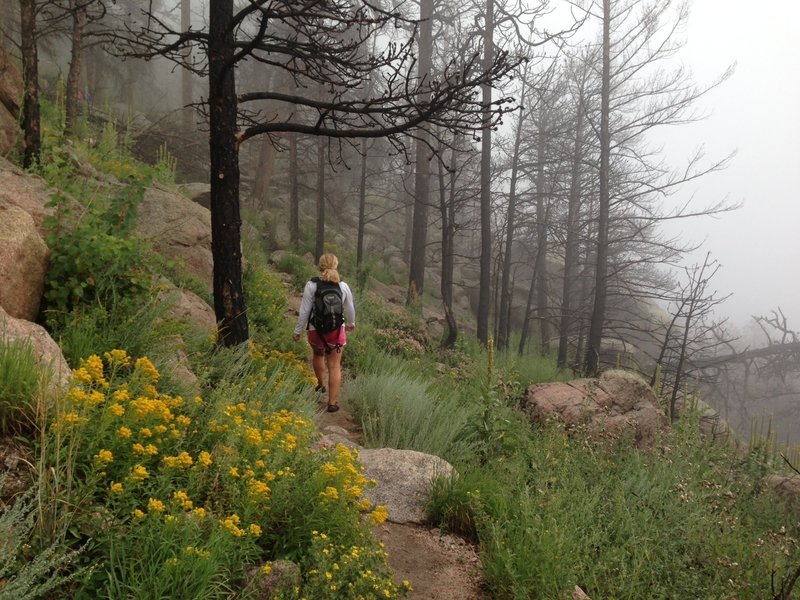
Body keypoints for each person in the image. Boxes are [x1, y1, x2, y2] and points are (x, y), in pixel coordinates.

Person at [292, 253, 356, 412]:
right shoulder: (343, 286)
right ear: (336, 266)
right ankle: (332, 403)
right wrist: (351, 323)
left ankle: (320, 385)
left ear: (319, 266)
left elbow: (305, 311)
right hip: (336, 333)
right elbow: (350, 309)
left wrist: (297, 331)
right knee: (335, 366)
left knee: (318, 355)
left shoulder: (311, 285)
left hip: (316, 332)